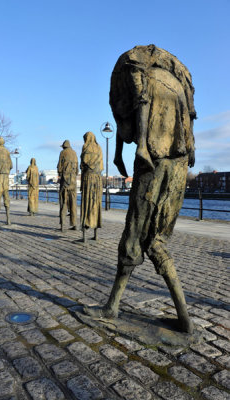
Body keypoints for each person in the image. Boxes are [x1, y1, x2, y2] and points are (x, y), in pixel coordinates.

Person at [84, 45, 196, 333]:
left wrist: (137, 149)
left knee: (133, 236)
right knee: (157, 241)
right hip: (178, 167)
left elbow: (135, 111)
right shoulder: (178, 86)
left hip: (153, 163)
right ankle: (184, 319)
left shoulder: (142, 75)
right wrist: (119, 152)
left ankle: (111, 307)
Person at [80, 131, 103, 242]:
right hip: (98, 180)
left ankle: (84, 236)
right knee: (96, 203)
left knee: (86, 203)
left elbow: (83, 164)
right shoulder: (99, 148)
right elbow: (101, 166)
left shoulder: (85, 147)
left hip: (88, 179)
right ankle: (96, 234)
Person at [57, 140, 78, 231]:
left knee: (64, 201)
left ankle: (62, 225)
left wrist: (61, 173)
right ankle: (74, 224)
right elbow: (77, 169)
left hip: (65, 181)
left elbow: (59, 167)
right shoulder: (74, 153)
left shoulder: (62, 153)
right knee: (73, 202)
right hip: (73, 181)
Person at [0, 137, 13, 226]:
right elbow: (11, 165)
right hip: (6, 176)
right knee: (6, 196)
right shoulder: (7, 151)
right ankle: (8, 220)